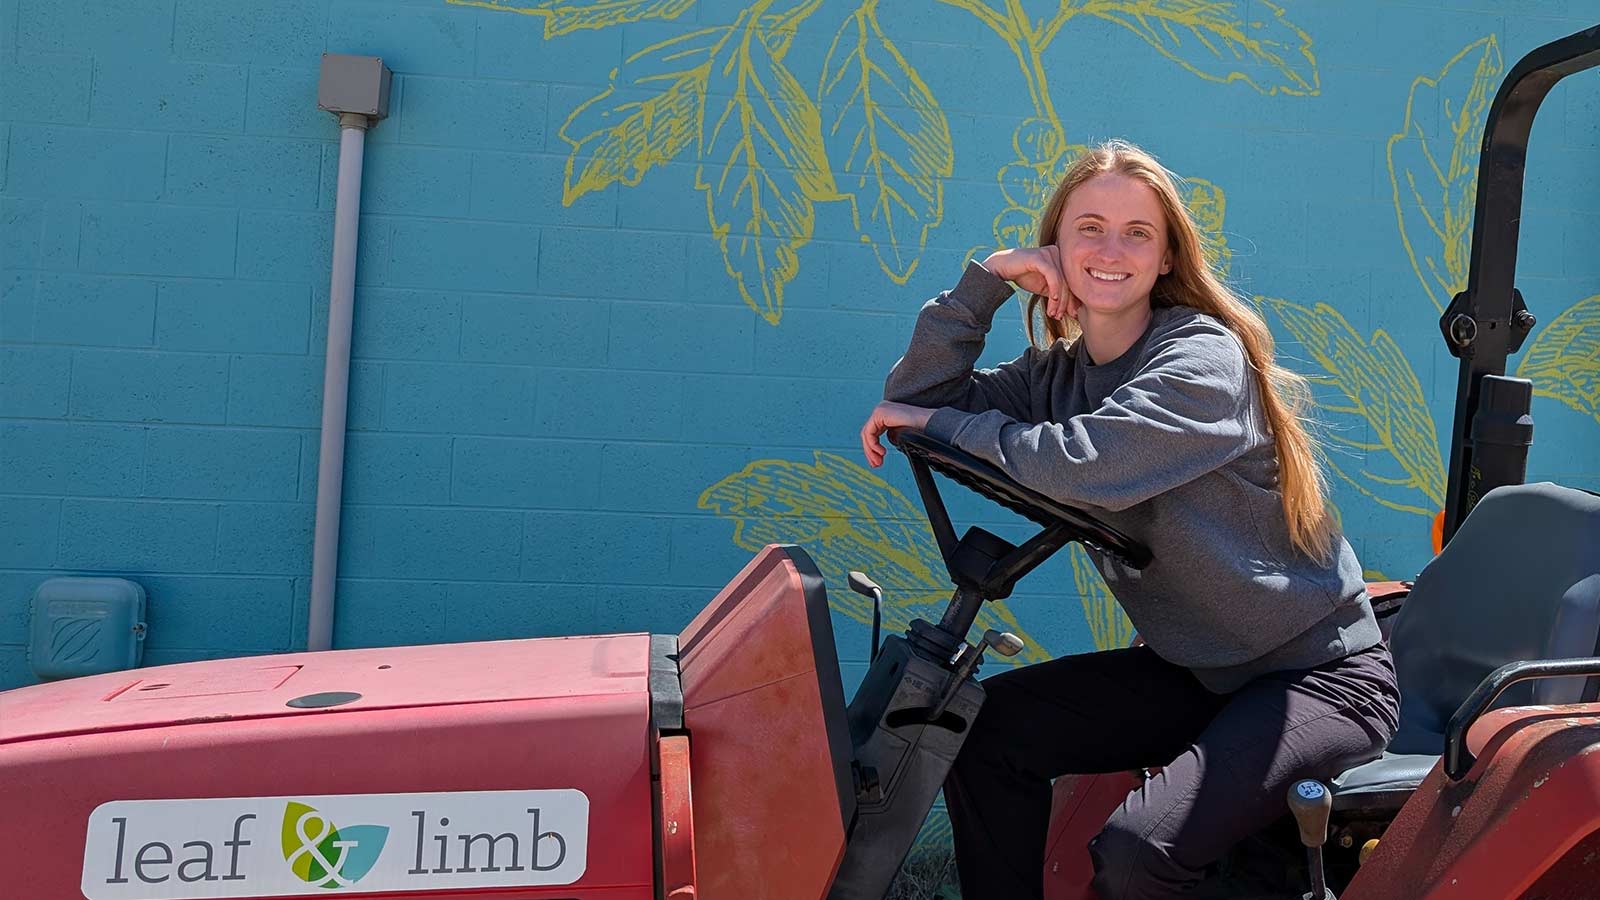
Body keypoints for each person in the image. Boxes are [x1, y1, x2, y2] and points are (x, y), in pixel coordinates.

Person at [858, 140, 1401, 900]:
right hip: (1198, 670)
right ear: (1057, 243)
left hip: (1316, 677)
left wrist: (947, 427)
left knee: (1137, 850)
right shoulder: (1059, 375)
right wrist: (986, 281)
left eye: (1137, 232)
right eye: (1089, 227)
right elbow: (918, 397)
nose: (1111, 250)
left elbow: (1088, 463)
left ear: (1167, 254)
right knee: (983, 732)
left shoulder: (1201, 359)